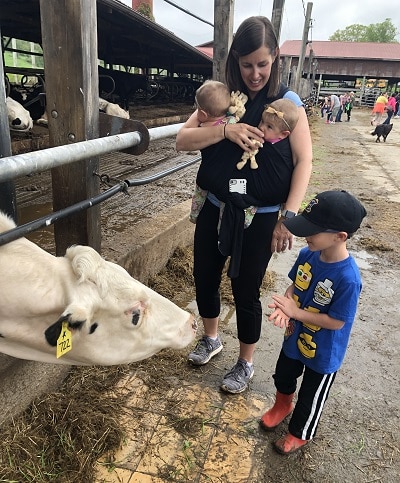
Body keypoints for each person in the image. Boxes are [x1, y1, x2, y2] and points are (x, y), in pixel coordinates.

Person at [176, 16, 312, 394]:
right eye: (247, 64)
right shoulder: (220, 99)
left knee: (245, 287)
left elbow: (304, 162)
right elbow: (182, 141)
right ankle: (211, 337)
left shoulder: (287, 105)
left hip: (262, 216)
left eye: (263, 64)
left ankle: (245, 361)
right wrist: (224, 130)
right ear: (235, 61)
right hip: (216, 207)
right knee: (204, 273)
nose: (255, 74)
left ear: (276, 60)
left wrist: (290, 217)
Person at [260, 190, 367, 455]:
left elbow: (336, 322)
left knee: (311, 394)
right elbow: (294, 286)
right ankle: (282, 404)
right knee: (283, 374)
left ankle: (300, 433)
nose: (304, 234)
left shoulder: (348, 279)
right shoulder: (309, 254)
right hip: (294, 337)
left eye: (312, 230)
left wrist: (295, 313)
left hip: (323, 350)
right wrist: (287, 305)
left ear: (339, 237)